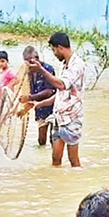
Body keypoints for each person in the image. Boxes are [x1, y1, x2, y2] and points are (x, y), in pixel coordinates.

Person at [27, 32, 85, 167]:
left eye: (54, 50)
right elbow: (61, 93)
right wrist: (39, 104)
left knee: (74, 161)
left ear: (59, 47)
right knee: (55, 160)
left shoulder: (77, 65)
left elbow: (61, 84)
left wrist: (41, 69)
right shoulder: (64, 65)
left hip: (72, 119)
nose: (54, 54)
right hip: (59, 118)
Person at [19, 46, 57, 146]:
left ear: (37, 58)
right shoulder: (29, 72)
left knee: (53, 139)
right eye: (26, 61)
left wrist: (30, 98)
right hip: (40, 110)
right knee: (41, 140)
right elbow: (30, 91)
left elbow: (49, 91)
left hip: (53, 109)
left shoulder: (47, 69)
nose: (28, 64)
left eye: (30, 60)